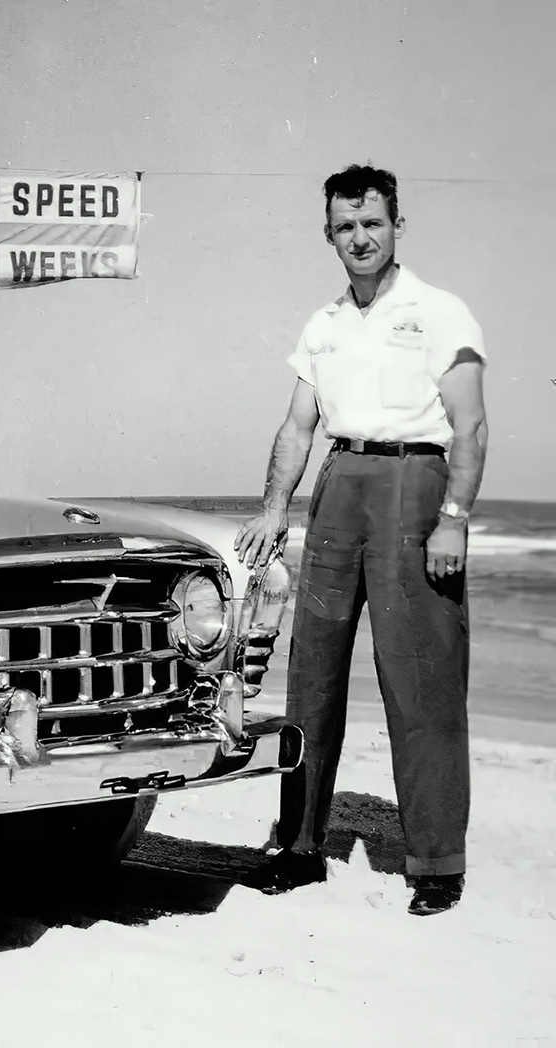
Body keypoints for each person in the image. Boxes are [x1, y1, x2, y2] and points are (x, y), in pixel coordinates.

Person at [233, 163, 489, 916]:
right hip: (340, 485)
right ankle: (300, 845)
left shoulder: (440, 312)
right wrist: (275, 507)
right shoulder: (325, 324)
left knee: (423, 677)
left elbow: (470, 425)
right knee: (311, 675)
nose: (360, 238)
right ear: (329, 235)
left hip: (415, 485)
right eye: (346, 227)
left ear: (396, 225)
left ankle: (437, 863)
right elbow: (297, 425)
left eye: (372, 223)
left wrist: (453, 519)